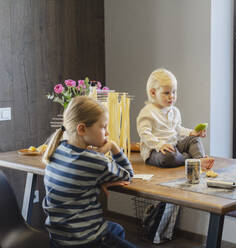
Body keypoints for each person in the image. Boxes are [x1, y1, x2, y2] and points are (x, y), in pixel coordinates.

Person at [42, 96, 136, 248]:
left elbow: (79, 179)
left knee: (116, 229)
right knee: (114, 231)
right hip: (86, 241)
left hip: (58, 239)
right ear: (82, 129)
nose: (107, 132)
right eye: (103, 127)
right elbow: (128, 174)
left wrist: (98, 184)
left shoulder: (57, 151)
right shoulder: (95, 161)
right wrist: (113, 147)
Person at [137, 68, 214, 169]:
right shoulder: (148, 112)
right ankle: (191, 160)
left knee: (194, 139)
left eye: (174, 92)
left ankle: (199, 159)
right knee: (168, 157)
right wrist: (160, 145)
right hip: (156, 151)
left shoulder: (174, 111)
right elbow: (144, 135)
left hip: (174, 145)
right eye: (166, 93)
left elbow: (177, 129)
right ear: (153, 93)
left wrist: (192, 132)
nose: (171, 96)